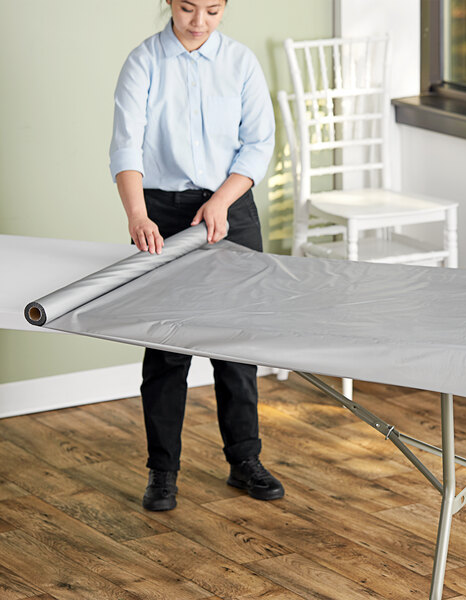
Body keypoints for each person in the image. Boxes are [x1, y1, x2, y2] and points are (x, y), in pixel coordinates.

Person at [109, 0, 283, 510]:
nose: (199, 22)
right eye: (188, 8)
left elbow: (258, 144)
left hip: (230, 205)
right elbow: (126, 147)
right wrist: (137, 216)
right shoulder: (143, 62)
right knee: (166, 347)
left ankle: (244, 460)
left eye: (213, 9)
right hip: (160, 211)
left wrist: (221, 202)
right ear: (169, 2)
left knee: (236, 342)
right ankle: (162, 472)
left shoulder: (241, 62)